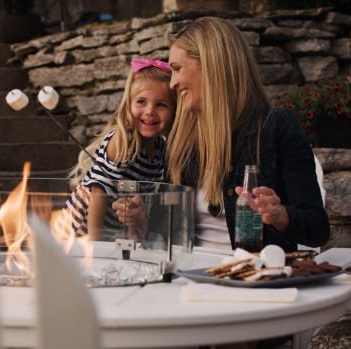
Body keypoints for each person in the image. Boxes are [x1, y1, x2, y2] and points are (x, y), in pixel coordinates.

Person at [165, 16, 330, 254]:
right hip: (190, 280)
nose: (172, 83)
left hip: (255, 279)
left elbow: (318, 230)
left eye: (177, 69)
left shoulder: (277, 127)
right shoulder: (181, 141)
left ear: (212, 65)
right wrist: (142, 219)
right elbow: (168, 239)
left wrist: (279, 215)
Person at [66, 58, 176, 241]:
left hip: (112, 234)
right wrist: (95, 244)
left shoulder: (160, 149)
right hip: (80, 230)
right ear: (129, 104)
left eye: (161, 105)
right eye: (141, 102)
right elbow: (98, 192)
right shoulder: (122, 141)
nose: (150, 111)